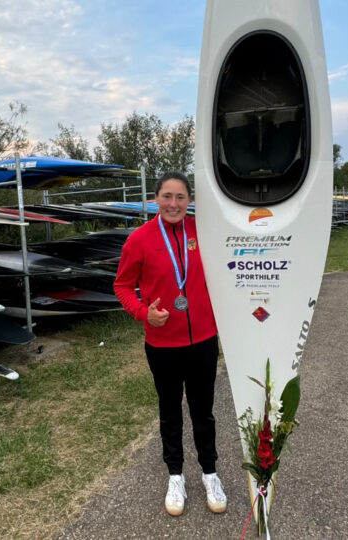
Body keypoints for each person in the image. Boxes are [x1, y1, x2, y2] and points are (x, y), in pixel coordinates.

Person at [113, 171, 226, 517]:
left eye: (180, 197)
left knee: (203, 412)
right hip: (162, 344)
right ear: (155, 199)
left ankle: (210, 473)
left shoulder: (203, 232)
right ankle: (175, 476)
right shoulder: (140, 239)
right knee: (170, 412)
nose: (173, 204)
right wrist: (143, 313)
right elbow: (121, 286)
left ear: (190, 200)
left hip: (204, 340)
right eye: (167, 196)